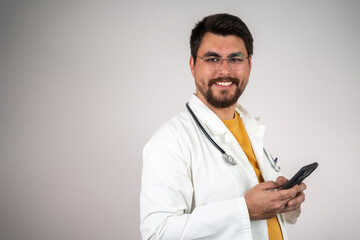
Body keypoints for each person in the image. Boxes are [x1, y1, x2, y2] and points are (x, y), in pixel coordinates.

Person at [140, 13, 306, 240]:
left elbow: (272, 218)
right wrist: (244, 210)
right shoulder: (170, 141)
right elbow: (157, 233)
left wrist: (287, 204)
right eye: (212, 59)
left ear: (249, 65)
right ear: (192, 65)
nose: (225, 70)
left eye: (236, 59)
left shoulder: (249, 127)